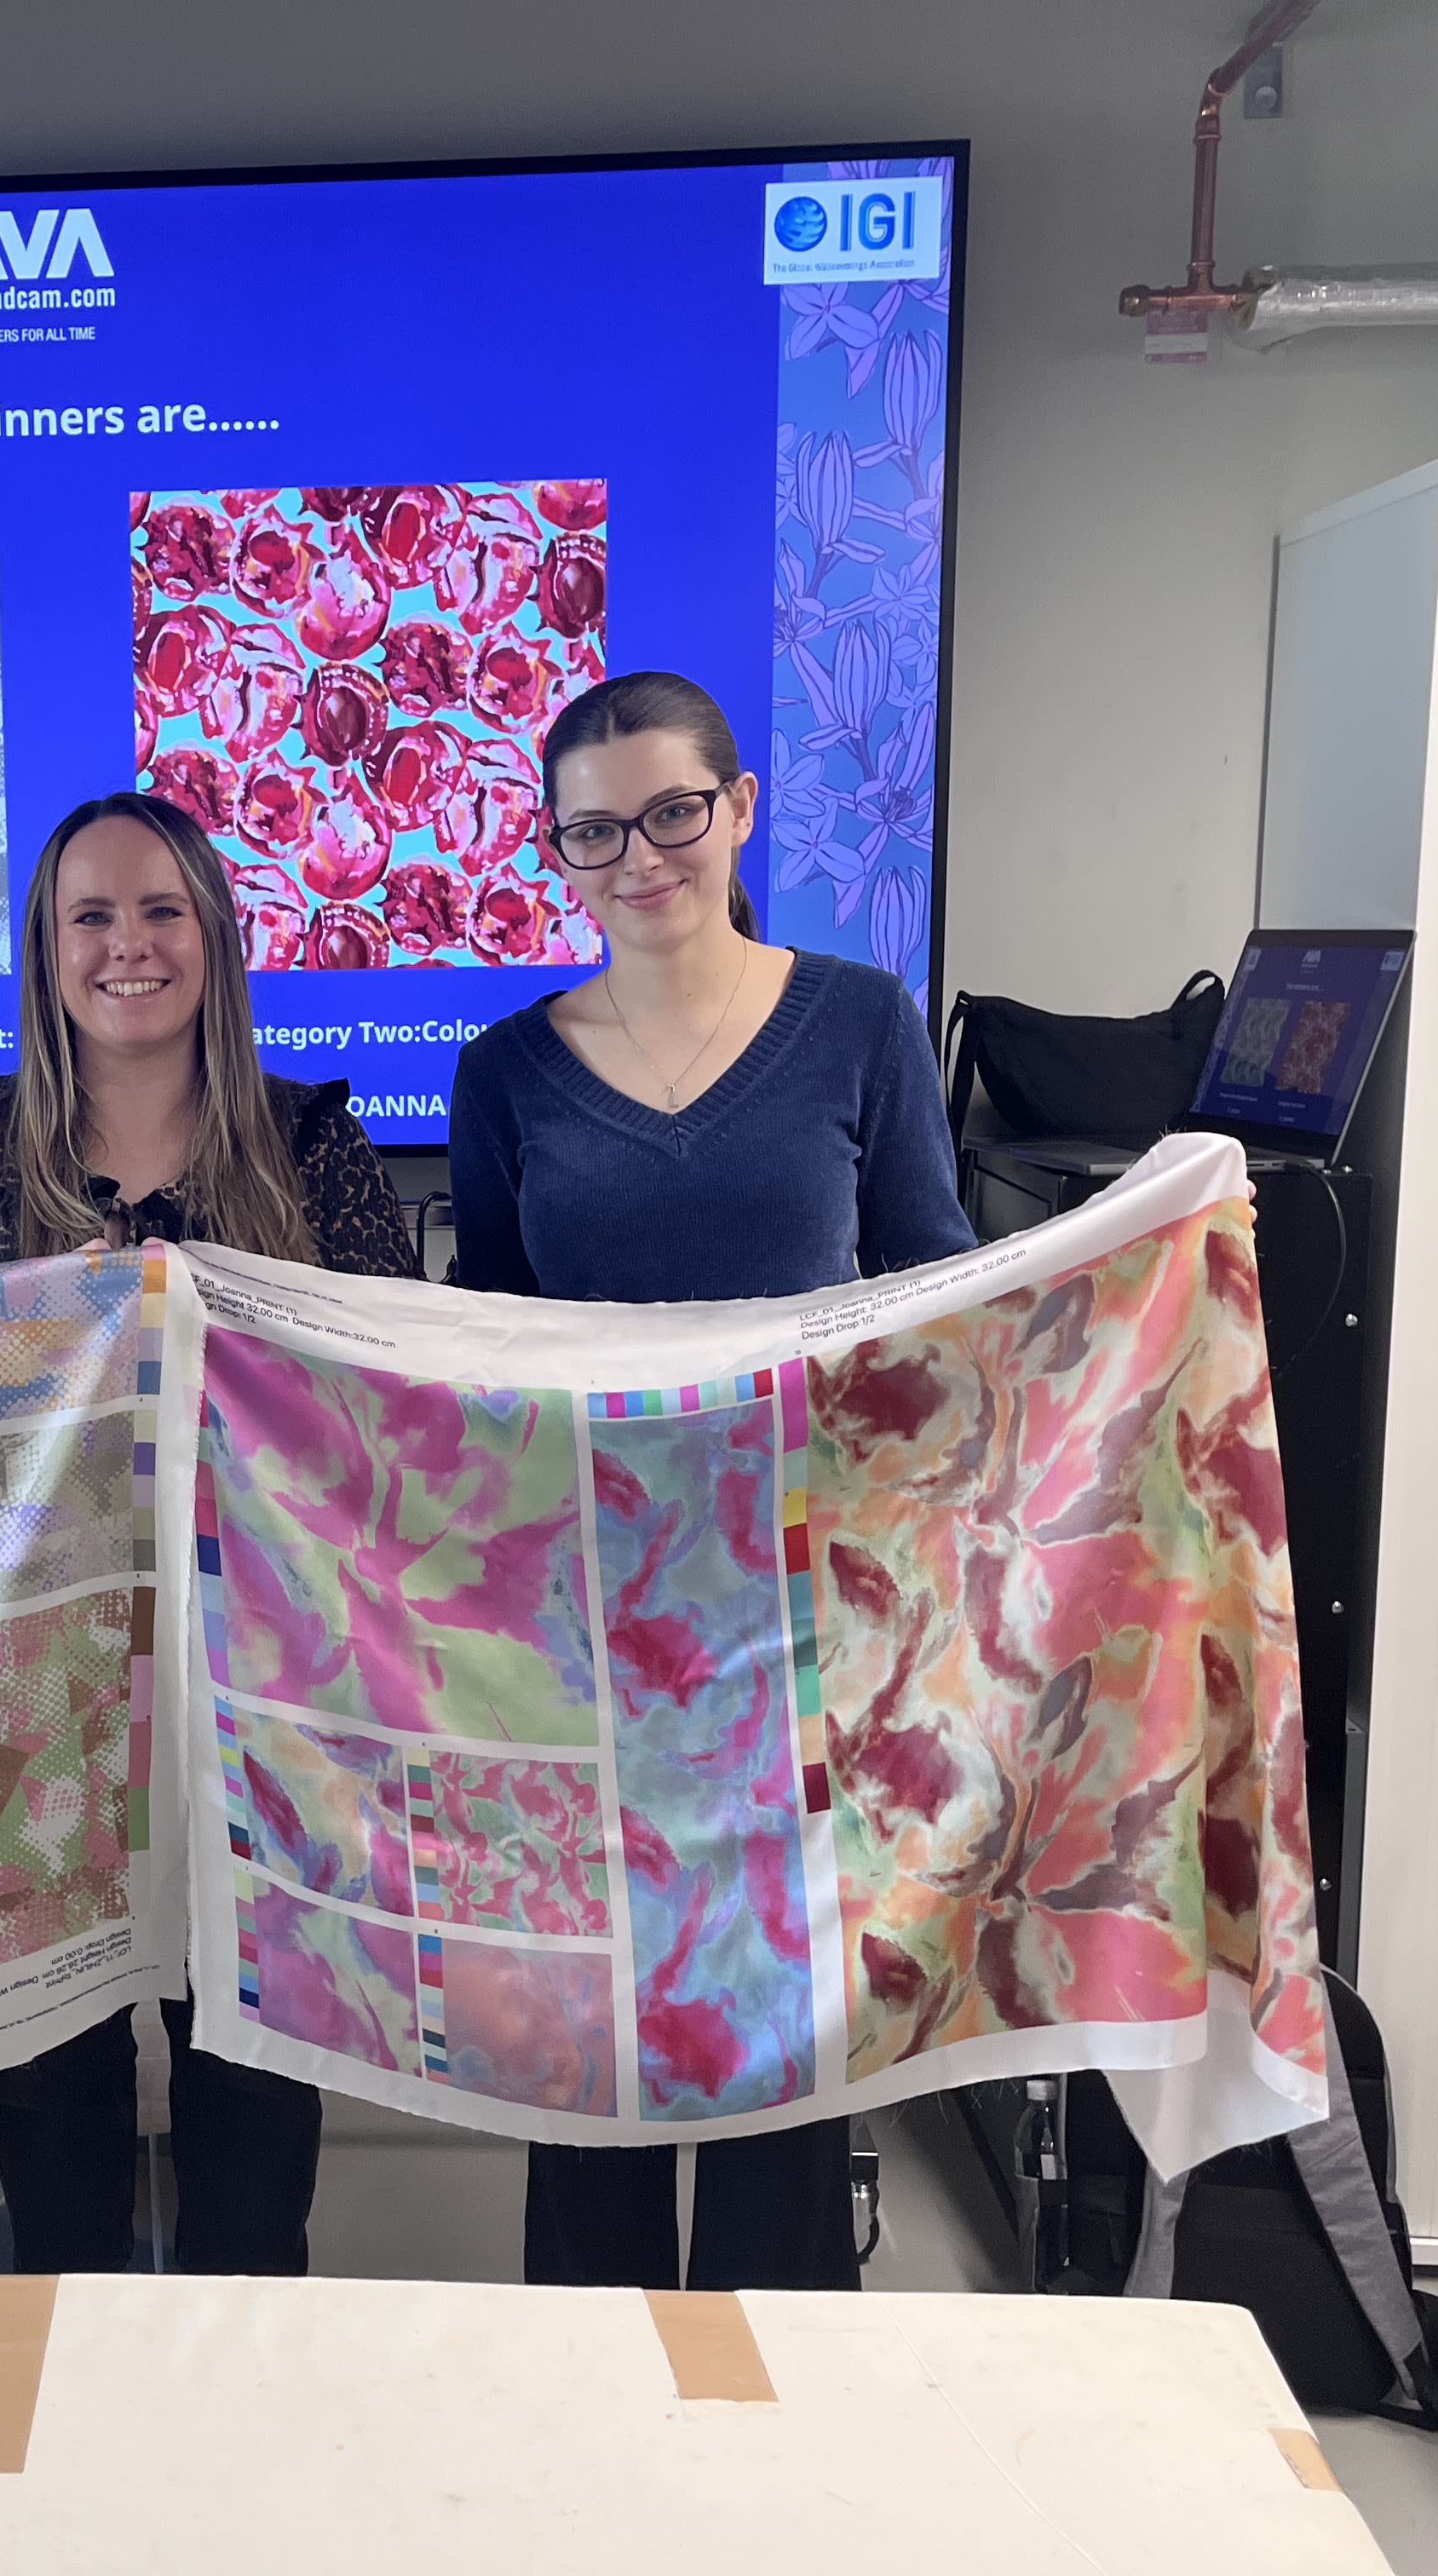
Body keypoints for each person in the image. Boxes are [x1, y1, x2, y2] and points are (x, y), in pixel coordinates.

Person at [447, 670, 975, 2294]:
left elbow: (934, 1291)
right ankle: (590, 2391)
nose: (640, 854)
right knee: (588, 2018)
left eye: (674, 811)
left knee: (776, 2028)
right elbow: (485, 1355)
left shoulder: (862, 1022)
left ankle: (777, 2403)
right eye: (592, 830)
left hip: (798, 1619)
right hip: (585, 1624)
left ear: (738, 808)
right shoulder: (507, 1073)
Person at [0, 789, 417, 2273]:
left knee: (251, 2147)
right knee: (52, 2139)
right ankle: (79, 2457)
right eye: (89, 916)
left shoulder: (317, 1153)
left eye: (162, 910)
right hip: (21, 1716)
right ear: (44, 950)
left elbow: (390, 1430)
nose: (128, 946)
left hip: (258, 1710)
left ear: (214, 935)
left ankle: (234, 2450)